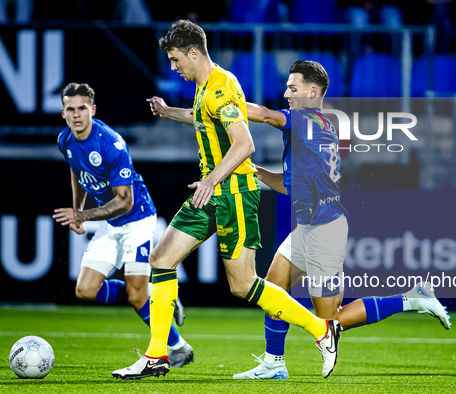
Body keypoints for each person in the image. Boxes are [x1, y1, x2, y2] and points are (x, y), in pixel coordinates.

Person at [112, 20, 342, 380]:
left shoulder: (219, 87)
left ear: (193, 53)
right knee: (161, 258)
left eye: (175, 60)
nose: (174, 68)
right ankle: (157, 355)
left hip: (232, 194)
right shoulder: (210, 86)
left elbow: (245, 143)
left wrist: (211, 179)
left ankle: (321, 329)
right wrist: (169, 111)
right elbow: (207, 120)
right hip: (212, 193)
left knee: (243, 284)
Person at [233, 60, 452, 380]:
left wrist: (225, 102)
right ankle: (273, 363)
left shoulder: (305, 120)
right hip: (308, 227)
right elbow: (291, 186)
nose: (286, 93)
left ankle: (412, 300)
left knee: (330, 318)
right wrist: (259, 173)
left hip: (325, 231)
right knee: (275, 289)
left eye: (292, 88)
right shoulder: (315, 125)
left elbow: (265, 115)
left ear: (312, 91)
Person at [53, 83, 193, 368]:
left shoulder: (111, 143)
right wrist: (78, 211)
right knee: (85, 291)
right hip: (109, 221)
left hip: (137, 219)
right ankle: (155, 295)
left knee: (135, 294)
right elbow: (76, 170)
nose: (77, 114)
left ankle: (178, 346)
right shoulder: (65, 140)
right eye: (71, 109)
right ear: (63, 113)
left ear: (93, 110)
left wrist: (83, 215)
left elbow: (126, 201)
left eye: (82, 108)